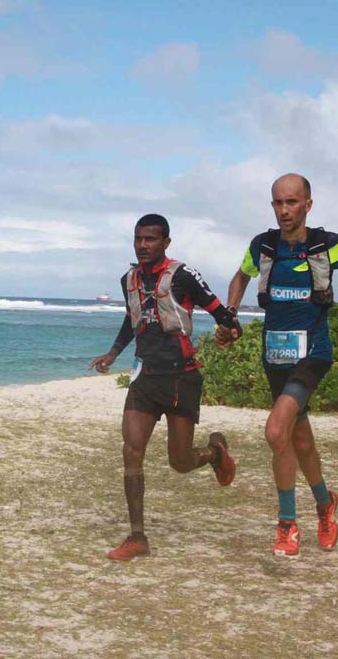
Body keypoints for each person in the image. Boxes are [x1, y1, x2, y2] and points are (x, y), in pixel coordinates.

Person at [216, 173, 338, 557]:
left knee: (274, 430)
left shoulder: (328, 245)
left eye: (292, 202)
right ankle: (325, 503)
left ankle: (287, 525)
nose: (285, 210)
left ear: (307, 205)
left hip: (313, 354)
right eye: (278, 203)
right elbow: (241, 276)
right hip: (275, 356)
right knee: (298, 440)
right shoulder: (262, 245)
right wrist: (230, 315)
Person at [89, 213, 243, 561]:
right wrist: (113, 353)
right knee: (131, 450)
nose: (143, 245)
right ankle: (137, 537)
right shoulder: (128, 278)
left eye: (151, 239)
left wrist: (231, 332)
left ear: (165, 243)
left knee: (181, 462)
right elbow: (133, 319)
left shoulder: (183, 275)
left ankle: (214, 453)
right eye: (138, 239)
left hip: (181, 377)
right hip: (145, 377)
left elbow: (223, 315)